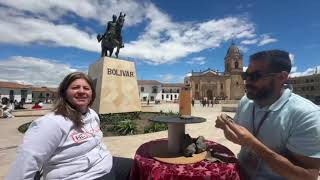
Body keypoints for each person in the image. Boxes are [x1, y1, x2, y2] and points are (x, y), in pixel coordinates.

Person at [215, 50, 320, 179]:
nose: (247, 81)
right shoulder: (246, 101)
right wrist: (227, 125)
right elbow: (239, 137)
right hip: (239, 174)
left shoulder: (306, 115)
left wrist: (253, 144)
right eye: (245, 75)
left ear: (281, 77)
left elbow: (308, 177)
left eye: (255, 76)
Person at [6, 72, 114, 180]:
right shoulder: (51, 123)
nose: (81, 91)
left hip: (105, 163)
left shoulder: (93, 114)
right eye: (75, 87)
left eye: (86, 88)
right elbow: (25, 163)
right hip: (83, 176)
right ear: (64, 93)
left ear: (92, 94)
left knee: (132, 165)